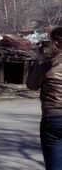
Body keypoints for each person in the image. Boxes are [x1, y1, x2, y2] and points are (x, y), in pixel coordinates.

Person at [28, 26, 62, 169]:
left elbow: (31, 85)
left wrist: (38, 60)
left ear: (54, 43)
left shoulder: (47, 64)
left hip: (53, 118)